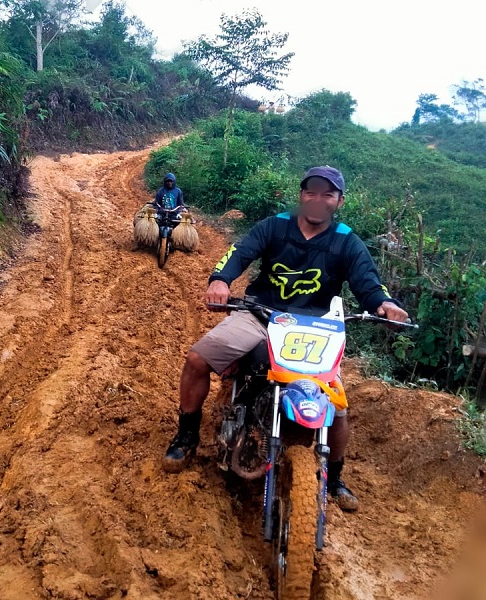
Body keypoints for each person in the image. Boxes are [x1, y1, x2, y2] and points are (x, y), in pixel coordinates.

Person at [163, 165, 409, 512]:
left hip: (315, 330)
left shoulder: (346, 241)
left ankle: (334, 476)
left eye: (328, 194)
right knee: (197, 360)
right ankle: (186, 435)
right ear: (301, 194)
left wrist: (385, 304)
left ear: (339, 200)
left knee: (337, 409)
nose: (317, 199)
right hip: (261, 314)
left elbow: (368, 282)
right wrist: (220, 280)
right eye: (311, 191)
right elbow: (241, 252)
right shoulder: (274, 226)